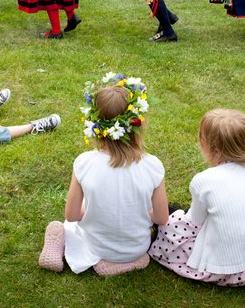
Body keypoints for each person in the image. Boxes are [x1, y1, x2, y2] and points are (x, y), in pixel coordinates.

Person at [38, 73, 168, 276]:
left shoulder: (84, 163)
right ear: (137, 123)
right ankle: (131, 261)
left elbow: (72, 215)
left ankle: (60, 245)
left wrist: (94, 209)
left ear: (95, 125)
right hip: (137, 248)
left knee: (64, 226)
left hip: (96, 246)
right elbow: (161, 218)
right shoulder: (153, 166)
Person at [149, 109, 245, 286]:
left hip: (221, 267)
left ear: (215, 150)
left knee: (170, 227)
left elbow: (193, 223)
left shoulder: (204, 180)